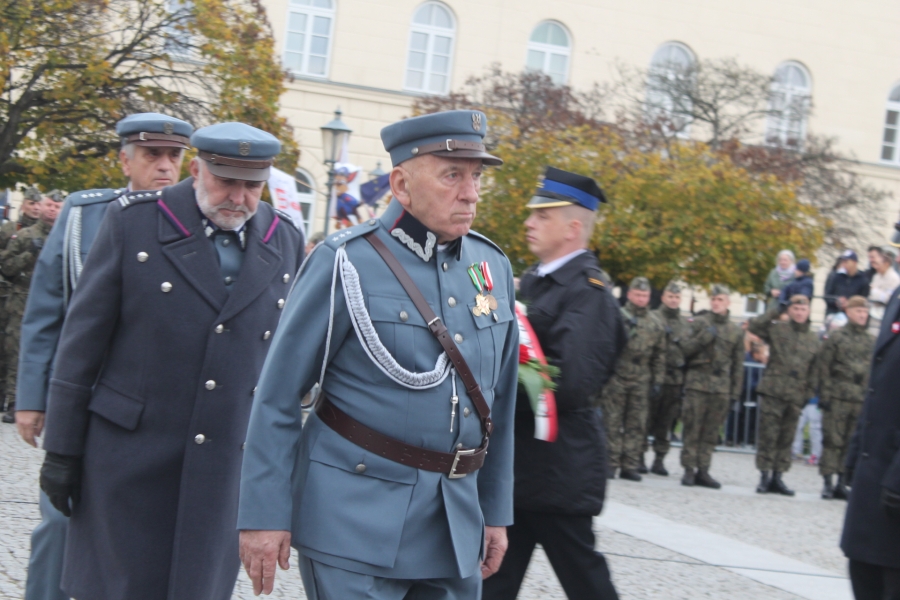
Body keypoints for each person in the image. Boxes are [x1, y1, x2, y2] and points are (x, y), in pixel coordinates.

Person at [237, 110, 517, 599]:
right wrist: (263, 515)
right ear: (401, 185)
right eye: (452, 175)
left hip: (454, 523)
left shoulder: (491, 266)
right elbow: (278, 396)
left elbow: (500, 403)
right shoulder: (346, 260)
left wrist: (494, 510)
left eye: (476, 176)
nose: (471, 193)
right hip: (354, 518)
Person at [37, 122, 305, 600]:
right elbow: (82, 344)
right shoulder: (135, 222)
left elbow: (284, 367)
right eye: (226, 181)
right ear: (196, 170)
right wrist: (61, 451)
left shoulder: (282, 238)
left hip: (223, 462)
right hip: (131, 455)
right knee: (121, 587)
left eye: (252, 185)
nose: (238, 198)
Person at [12, 113, 193, 600]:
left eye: (173, 156)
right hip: (82, 395)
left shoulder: (195, 223)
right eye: (152, 155)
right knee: (59, 520)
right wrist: (32, 398)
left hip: (148, 406)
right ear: (125, 161)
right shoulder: (83, 215)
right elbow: (47, 311)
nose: (164, 166)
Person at [482, 167, 624, 600]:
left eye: (542, 216)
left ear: (573, 228)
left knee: (586, 583)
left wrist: (490, 393)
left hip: (558, 470)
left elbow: (570, 382)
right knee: (492, 579)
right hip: (523, 469)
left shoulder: (588, 292)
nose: (529, 223)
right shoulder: (538, 280)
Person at [841, 237, 900, 598]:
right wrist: (855, 449)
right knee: (863, 571)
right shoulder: (896, 297)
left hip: (894, 474)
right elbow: (878, 383)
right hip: (874, 465)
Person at [0, 191, 63, 424]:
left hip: (54, 300)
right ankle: (15, 401)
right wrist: (29, 253)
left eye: (57, 206)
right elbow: (6, 267)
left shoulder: (67, 236)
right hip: (22, 299)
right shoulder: (24, 235)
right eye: (49, 205)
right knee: (16, 350)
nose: (50, 210)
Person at [748, 295, 820, 496]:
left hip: (796, 394)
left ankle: (778, 477)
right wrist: (774, 311)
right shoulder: (778, 328)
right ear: (789, 310)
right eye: (795, 309)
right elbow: (754, 326)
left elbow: (814, 370)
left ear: (808, 312)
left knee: (786, 438)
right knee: (768, 435)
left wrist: (808, 394)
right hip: (774, 390)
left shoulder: (813, 339)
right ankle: (764, 477)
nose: (799, 313)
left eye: (803, 309)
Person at [676, 285, 744, 488]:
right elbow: (684, 349)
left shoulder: (735, 331)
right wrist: (703, 338)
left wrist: (735, 393)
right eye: (714, 299)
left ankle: (703, 470)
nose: (716, 303)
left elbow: (738, 365)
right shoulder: (699, 323)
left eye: (720, 300)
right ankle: (689, 469)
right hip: (698, 383)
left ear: (728, 303)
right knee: (692, 428)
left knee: (711, 431)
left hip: (720, 388)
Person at [600, 276, 665, 481]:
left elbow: (659, 355)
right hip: (617, 376)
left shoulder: (655, 323)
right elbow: (606, 346)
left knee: (636, 424)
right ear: (629, 295)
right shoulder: (617, 316)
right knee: (612, 421)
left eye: (644, 295)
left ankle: (630, 465)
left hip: (641, 378)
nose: (641, 299)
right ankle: (611, 462)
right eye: (637, 294)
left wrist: (657, 381)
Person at [817, 296, 874, 500]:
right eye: (859, 311)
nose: (862, 315)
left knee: (850, 442)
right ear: (849, 312)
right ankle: (827, 482)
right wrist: (825, 394)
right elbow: (824, 366)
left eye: (865, 312)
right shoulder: (837, 337)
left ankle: (842, 483)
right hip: (837, 396)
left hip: (859, 398)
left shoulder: (871, 340)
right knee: (832, 440)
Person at [0, 186, 41, 414]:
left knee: (20, 349)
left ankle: (15, 400)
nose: (35, 208)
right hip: (8, 295)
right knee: (6, 347)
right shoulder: (10, 230)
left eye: (38, 204)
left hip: (31, 296)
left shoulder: (48, 231)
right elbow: (5, 264)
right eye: (31, 203)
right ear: (23, 205)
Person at [645, 280, 690, 476]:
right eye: (670, 296)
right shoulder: (653, 318)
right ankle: (638, 457)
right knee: (645, 419)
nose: (673, 300)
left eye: (677, 297)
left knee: (666, 422)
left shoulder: (684, 324)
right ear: (663, 297)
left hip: (674, 380)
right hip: (654, 377)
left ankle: (659, 459)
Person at [825, 250, 870, 315]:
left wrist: (850, 303)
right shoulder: (836, 276)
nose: (844, 264)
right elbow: (827, 295)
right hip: (835, 312)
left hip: (854, 315)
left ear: (854, 262)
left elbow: (864, 299)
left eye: (846, 262)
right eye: (843, 262)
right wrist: (836, 301)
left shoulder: (863, 279)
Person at [867, 246, 900, 332]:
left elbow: (889, 298)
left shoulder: (894, 278)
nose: (876, 267)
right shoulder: (876, 276)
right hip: (872, 313)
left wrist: (874, 292)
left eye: (879, 264)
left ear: (886, 263)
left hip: (883, 317)